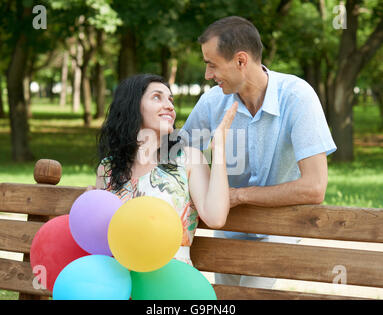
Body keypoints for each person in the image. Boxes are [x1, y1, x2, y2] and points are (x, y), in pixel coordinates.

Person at [180, 16, 337, 288]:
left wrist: (240, 196)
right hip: (228, 228)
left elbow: (314, 187)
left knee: (253, 290)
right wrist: (115, 182)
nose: (207, 75)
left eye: (212, 65)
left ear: (241, 61)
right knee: (225, 297)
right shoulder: (212, 102)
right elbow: (175, 158)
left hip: (279, 227)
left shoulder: (297, 97)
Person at [92, 73, 238, 266]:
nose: (170, 106)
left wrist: (218, 149)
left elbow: (216, 218)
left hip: (170, 280)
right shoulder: (108, 168)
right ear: (132, 106)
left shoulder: (188, 159)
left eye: (171, 100)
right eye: (156, 97)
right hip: (119, 277)